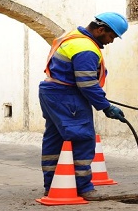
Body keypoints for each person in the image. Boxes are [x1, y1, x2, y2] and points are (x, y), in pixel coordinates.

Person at [39, 12, 128, 200]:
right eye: (111, 36)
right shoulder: (86, 48)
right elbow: (86, 83)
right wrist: (105, 107)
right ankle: (84, 188)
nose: (111, 41)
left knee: (54, 138)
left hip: (52, 92)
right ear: (100, 30)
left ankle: (53, 185)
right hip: (67, 95)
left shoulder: (71, 36)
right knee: (83, 137)